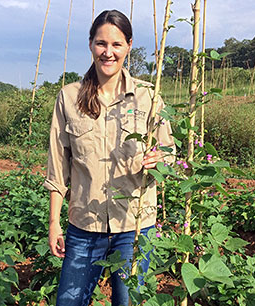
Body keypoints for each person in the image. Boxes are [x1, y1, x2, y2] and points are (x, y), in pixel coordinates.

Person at [44, 9, 174, 306]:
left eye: (116, 44)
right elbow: (58, 166)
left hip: (135, 226)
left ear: (129, 46)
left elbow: (169, 152)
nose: (108, 52)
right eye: (101, 43)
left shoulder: (147, 96)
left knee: (127, 302)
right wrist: (54, 223)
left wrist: (160, 160)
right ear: (91, 45)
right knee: (68, 302)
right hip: (84, 226)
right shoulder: (69, 97)